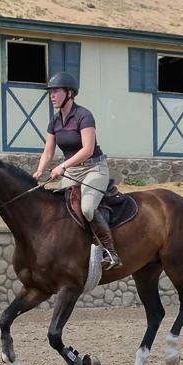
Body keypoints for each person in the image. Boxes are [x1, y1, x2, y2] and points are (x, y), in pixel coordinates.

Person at [33, 72, 121, 269]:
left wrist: (63, 166)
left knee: (87, 208)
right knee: (54, 206)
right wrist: (40, 171)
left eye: (56, 91)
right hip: (72, 171)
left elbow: (87, 149)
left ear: (70, 93)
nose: (52, 96)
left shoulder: (84, 115)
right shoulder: (54, 121)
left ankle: (110, 252)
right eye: (51, 92)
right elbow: (48, 151)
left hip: (94, 168)